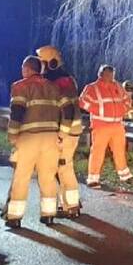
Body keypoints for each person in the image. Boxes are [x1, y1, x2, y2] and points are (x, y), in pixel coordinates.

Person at [5, 56, 68, 228]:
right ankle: (48, 214)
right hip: (51, 138)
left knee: (22, 177)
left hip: (29, 137)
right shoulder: (54, 87)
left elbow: (17, 112)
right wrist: (62, 133)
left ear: (26, 68)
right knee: (47, 177)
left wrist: (12, 135)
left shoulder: (20, 86)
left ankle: (15, 217)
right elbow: (67, 110)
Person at [36, 45, 82, 217]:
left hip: (63, 131)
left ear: (50, 63)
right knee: (63, 166)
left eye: (41, 63)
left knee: (63, 167)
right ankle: (70, 203)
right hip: (72, 130)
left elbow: (59, 109)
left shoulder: (53, 83)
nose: (40, 67)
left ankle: (71, 205)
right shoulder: (67, 79)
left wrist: (59, 133)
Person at [78, 64, 133, 188]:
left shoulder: (117, 86)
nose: (110, 76)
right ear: (101, 74)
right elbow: (82, 102)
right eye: (108, 74)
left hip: (117, 124)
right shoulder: (92, 87)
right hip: (101, 125)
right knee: (98, 151)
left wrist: (122, 110)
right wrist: (98, 110)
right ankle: (93, 178)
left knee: (120, 151)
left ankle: (124, 175)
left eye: (112, 74)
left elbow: (126, 100)